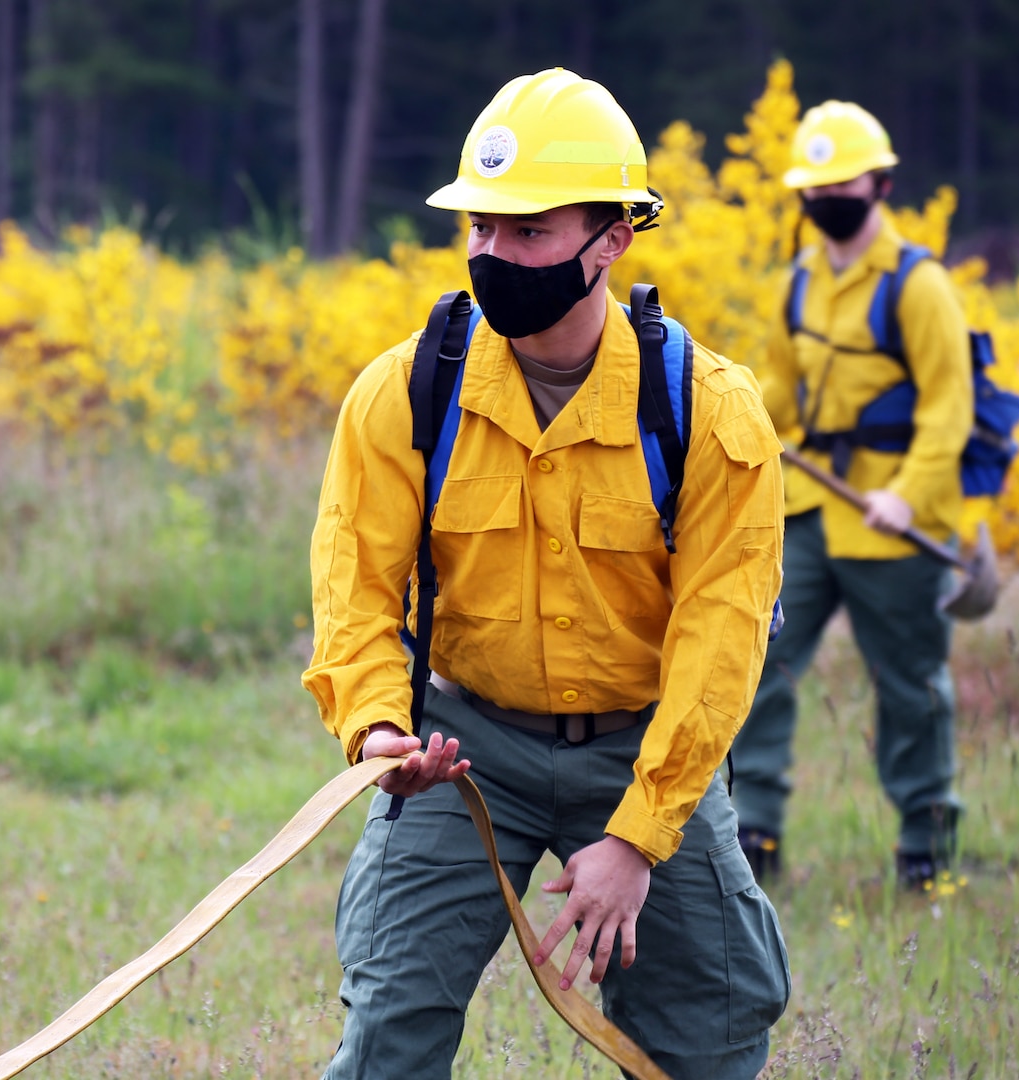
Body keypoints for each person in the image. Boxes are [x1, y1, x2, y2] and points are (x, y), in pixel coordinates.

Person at [302, 68, 790, 1080]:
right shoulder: (403, 394)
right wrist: (380, 728)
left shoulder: (710, 411)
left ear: (610, 237)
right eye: (479, 228)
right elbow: (354, 586)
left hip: (643, 743)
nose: (493, 254)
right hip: (459, 740)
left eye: (526, 232)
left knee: (709, 1031)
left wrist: (641, 839)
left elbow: (721, 641)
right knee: (388, 1017)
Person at [730, 101, 973, 890]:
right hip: (808, 509)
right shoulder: (796, 282)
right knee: (756, 658)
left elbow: (948, 409)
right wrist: (729, 418)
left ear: (882, 184)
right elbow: (777, 389)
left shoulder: (919, 285)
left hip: (893, 523)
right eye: (813, 186)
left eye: (843, 182)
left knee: (909, 687)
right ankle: (753, 833)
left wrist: (907, 494)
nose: (827, 197)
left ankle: (925, 849)